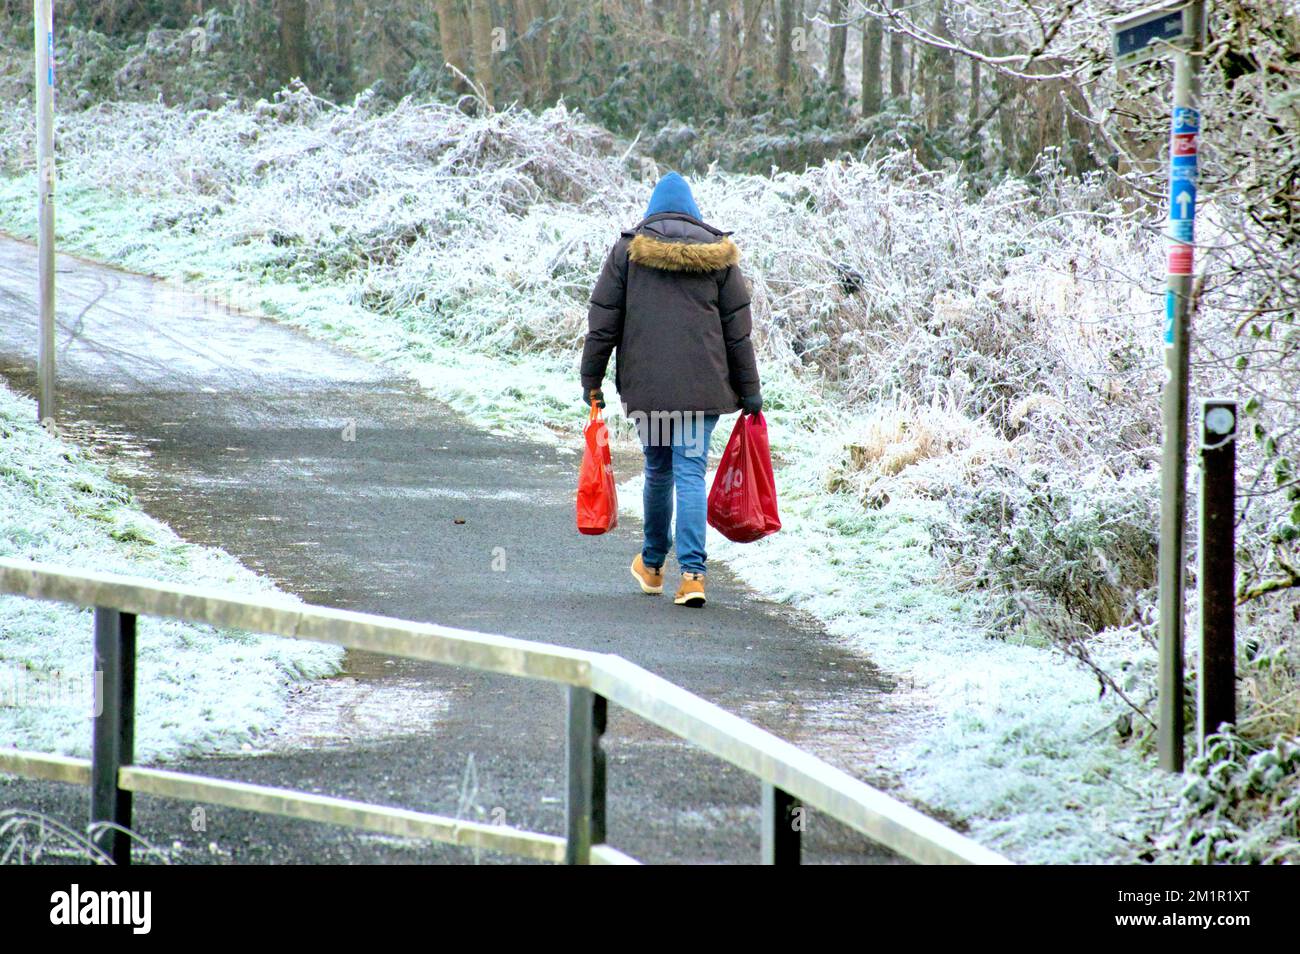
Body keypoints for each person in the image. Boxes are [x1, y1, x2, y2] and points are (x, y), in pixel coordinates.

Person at [580, 172, 762, 608]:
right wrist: (750, 392)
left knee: (659, 471)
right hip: (703, 391)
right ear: (693, 211)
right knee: (690, 473)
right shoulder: (719, 257)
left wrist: (592, 378)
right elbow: (738, 334)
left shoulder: (628, 252)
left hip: (650, 389)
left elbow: (603, 321)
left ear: (654, 210)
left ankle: (654, 565)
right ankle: (694, 576)